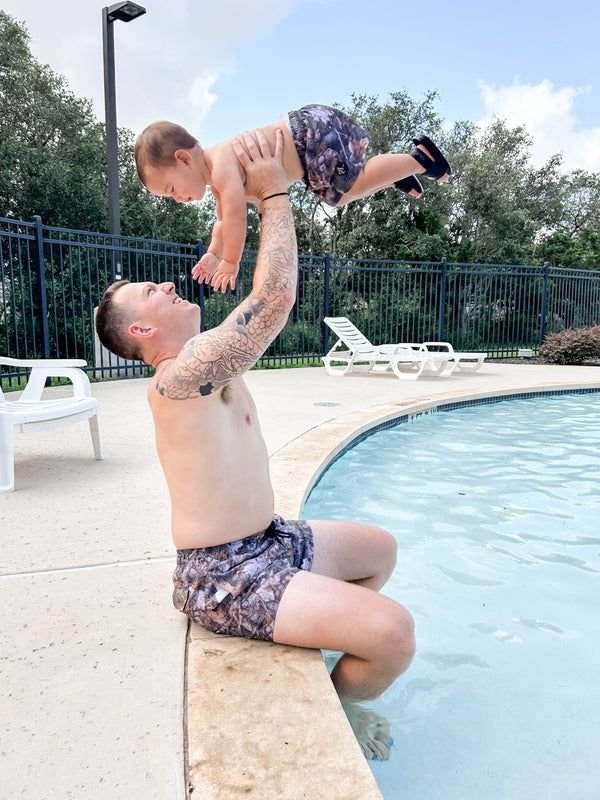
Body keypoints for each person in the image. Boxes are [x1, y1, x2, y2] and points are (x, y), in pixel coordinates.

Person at [96, 129, 415, 760]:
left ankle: (323, 628)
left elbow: (253, 285)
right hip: (225, 574)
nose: (166, 287)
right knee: (394, 634)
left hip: (268, 540)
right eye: (151, 294)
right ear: (141, 330)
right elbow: (273, 300)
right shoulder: (178, 378)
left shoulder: (204, 356)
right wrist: (272, 193)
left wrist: (228, 235)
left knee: (379, 552)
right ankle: (343, 711)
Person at [134, 103, 451, 292]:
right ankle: (395, 173)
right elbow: (221, 223)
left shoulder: (221, 167)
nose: (177, 199)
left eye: (171, 189)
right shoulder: (216, 178)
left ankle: (421, 160)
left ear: (184, 159)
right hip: (308, 145)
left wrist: (230, 262)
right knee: (343, 196)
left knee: (352, 186)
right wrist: (214, 254)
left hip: (310, 135)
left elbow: (235, 218)